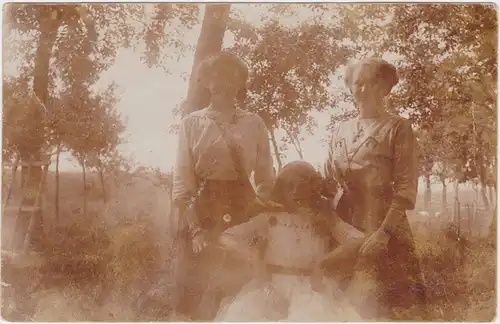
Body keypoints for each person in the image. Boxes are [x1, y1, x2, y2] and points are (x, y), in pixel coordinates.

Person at [171, 52, 276, 321]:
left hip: (242, 209)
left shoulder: (254, 122)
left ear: (241, 82)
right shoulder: (192, 123)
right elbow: (183, 180)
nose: (222, 82)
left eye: (231, 76)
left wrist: (258, 207)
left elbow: (265, 176)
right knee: (192, 290)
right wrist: (195, 228)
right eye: (215, 76)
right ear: (206, 82)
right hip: (202, 210)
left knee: (235, 289)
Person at [323, 57, 427, 320]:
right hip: (345, 217)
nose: (363, 90)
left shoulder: (397, 127)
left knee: (386, 305)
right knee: (341, 302)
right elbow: (327, 179)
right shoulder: (341, 129)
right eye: (357, 83)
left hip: (383, 219)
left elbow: (405, 186)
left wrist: (384, 233)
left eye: (371, 83)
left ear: (384, 87)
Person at [214, 161, 366, 322]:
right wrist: (254, 258)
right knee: (244, 315)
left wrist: (323, 262)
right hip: (270, 285)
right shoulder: (269, 218)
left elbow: (358, 239)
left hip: (310, 288)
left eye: (301, 186)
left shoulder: (325, 219)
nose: (294, 192)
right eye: (288, 186)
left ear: (313, 189)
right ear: (281, 190)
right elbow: (226, 237)